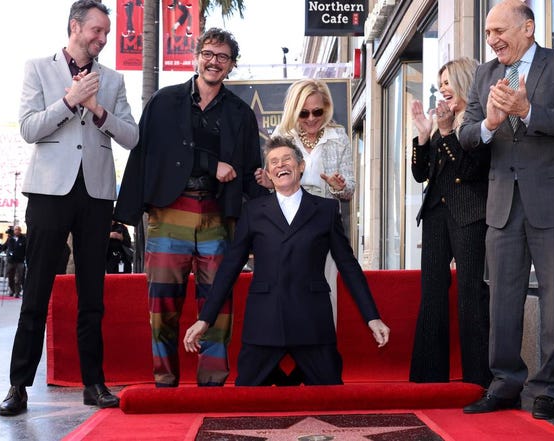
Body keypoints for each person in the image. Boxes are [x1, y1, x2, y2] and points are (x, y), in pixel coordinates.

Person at [0, 0, 139, 416]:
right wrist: (69, 101)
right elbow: (28, 128)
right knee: (37, 290)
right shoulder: (38, 68)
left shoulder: (112, 80)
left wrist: (98, 111)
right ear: (75, 27)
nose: (103, 38)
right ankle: (18, 385)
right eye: (97, 30)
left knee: (92, 293)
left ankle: (93, 383)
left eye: (107, 33)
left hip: (96, 195)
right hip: (48, 192)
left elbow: (131, 136)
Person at [460, 0, 554, 420]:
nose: (493, 39)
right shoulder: (485, 74)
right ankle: (504, 384)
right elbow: (466, 135)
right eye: (487, 33)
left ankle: (549, 389)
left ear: (528, 28)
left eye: (500, 30)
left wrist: (528, 112)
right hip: (502, 205)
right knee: (502, 299)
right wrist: (492, 124)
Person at [115, 28, 268, 387]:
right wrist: (126, 217)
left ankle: (212, 383)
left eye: (223, 57)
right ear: (196, 57)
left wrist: (266, 204)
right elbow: (149, 155)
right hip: (169, 213)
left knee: (219, 302)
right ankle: (165, 381)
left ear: (231, 66)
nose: (215, 62)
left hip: (218, 214)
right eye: (209, 54)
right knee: (162, 303)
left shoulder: (241, 114)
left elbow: (247, 172)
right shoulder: (163, 102)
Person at [183, 136, 390, 386]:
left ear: (301, 166)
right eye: (274, 162)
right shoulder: (253, 211)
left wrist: (372, 317)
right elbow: (230, 267)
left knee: (334, 403)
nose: (281, 165)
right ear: (269, 174)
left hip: (312, 323)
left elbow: (348, 265)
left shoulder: (325, 210)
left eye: (287, 159)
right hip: (264, 323)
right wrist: (205, 319)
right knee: (245, 404)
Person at [408, 58, 492, 388]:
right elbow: (420, 174)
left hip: (471, 214)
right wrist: (424, 137)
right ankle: (428, 380)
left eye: (448, 82)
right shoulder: (442, 123)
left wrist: (445, 132)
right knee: (432, 293)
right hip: (436, 215)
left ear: (466, 83)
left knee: (471, 292)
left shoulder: (479, 121)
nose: (442, 89)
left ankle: (478, 380)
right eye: (440, 83)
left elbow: (470, 171)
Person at [255, 79, 355, 323]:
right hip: (288, 223)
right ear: (294, 111)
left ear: (327, 107)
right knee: (288, 287)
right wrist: (270, 184)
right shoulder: (282, 137)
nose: (311, 118)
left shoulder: (337, 136)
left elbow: (350, 189)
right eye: (304, 113)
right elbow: (275, 184)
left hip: (324, 222)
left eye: (318, 112)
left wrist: (339, 186)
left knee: (325, 287)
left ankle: (322, 348)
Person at [0, 226, 27, 297]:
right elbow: (4, 247)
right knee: (10, 277)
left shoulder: (24, 239)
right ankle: (12, 290)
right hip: (11, 261)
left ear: (20, 231)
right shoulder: (10, 239)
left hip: (20, 261)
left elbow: (26, 249)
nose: (16, 231)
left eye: (18, 230)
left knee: (18, 278)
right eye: (15, 230)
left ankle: (17, 292)